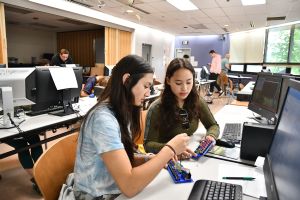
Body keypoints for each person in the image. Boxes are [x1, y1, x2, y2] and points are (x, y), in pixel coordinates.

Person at [73, 55, 192, 199]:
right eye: (146, 86)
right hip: (96, 195)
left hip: (114, 190)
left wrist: (151, 159)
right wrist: (169, 150)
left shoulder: (122, 111)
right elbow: (129, 186)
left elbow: (123, 160)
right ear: (127, 80)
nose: (148, 93)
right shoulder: (102, 119)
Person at [144, 58, 219, 156]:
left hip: (189, 152)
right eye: (178, 83)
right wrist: (172, 149)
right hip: (166, 159)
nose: (185, 88)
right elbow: (148, 145)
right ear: (168, 81)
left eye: (188, 82)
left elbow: (213, 125)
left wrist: (211, 136)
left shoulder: (197, 101)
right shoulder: (157, 108)